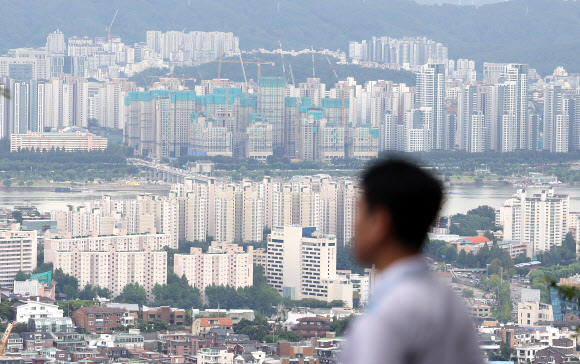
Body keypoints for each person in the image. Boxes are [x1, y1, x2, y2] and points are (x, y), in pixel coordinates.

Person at [340, 158, 484, 364]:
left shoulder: (387, 315)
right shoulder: (451, 303)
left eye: (359, 213)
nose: (354, 225)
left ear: (380, 223)